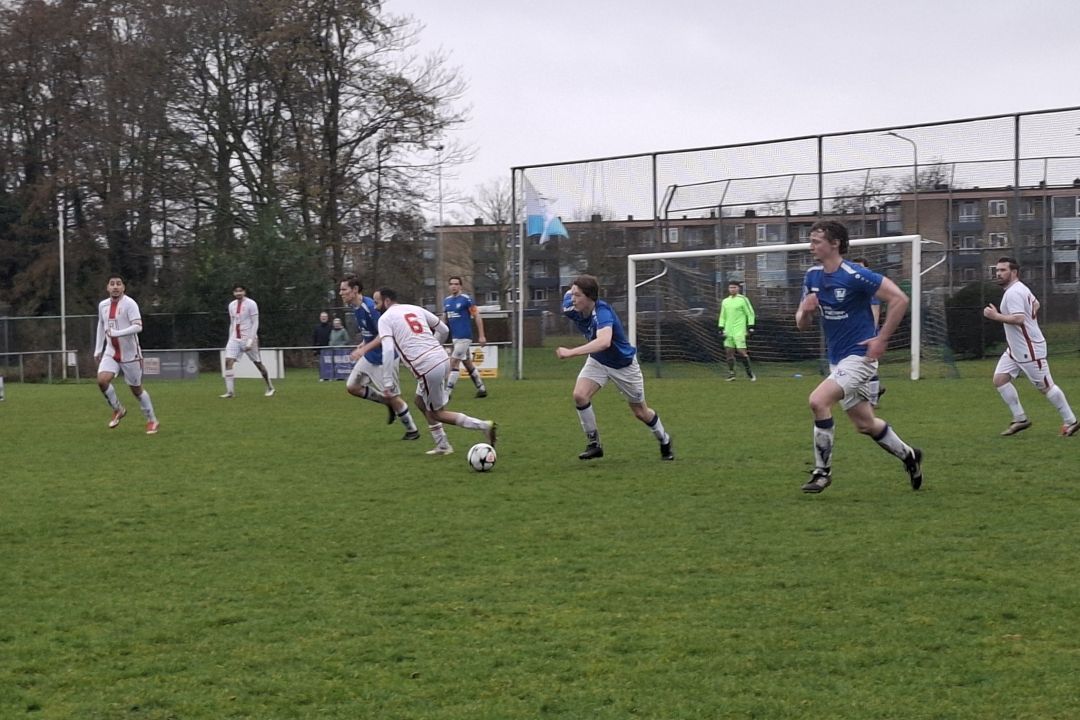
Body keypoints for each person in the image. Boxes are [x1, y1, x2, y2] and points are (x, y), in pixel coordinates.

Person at [794, 221, 922, 493]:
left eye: (816, 241)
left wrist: (881, 338)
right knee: (865, 424)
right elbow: (801, 325)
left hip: (860, 357)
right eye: (811, 240)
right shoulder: (812, 276)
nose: (811, 246)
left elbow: (899, 298)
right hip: (838, 359)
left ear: (835, 243)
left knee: (818, 401)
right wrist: (805, 311)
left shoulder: (855, 275)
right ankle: (910, 455)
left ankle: (822, 472)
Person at [556, 274, 673, 461]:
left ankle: (664, 439)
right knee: (579, 395)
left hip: (623, 366)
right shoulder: (570, 306)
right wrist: (574, 287)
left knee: (641, 412)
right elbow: (570, 293)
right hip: (598, 361)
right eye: (573, 294)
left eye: (577, 295)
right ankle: (594, 444)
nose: (573, 298)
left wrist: (571, 352)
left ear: (590, 297)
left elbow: (603, 342)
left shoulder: (603, 312)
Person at [373, 287, 496, 455]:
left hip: (427, 367)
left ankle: (483, 426)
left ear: (387, 301)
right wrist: (432, 345)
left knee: (437, 413)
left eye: (376, 302)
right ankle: (442, 445)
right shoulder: (414, 308)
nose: (375, 306)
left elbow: (387, 350)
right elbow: (444, 329)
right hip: (441, 358)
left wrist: (387, 383)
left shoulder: (385, 319)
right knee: (420, 402)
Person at [983, 256, 1080, 437]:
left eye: (1003, 270)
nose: (998, 273)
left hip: (1029, 350)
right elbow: (1036, 303)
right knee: (1000, 380)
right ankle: (1020, 419)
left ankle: (1071, 421)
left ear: (1014, 272)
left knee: (1046, 387)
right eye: (997, 270)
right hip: (1015, 349)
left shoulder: (1013, 292)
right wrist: (1030, 319)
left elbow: (1018, 319)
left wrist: (995, 316)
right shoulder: (1020, 289)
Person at [338, 276, 420, 439]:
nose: (341, 293)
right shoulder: (355, 307)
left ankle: (412, 430)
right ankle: (387, 402)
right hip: (370, 356)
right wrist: (363, 344)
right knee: (352, 387)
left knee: (393, 397)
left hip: (385, 358)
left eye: (344, 289)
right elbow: (371, 332)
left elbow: (384, 334)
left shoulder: (370, 307)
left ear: (355, 290)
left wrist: (363, 350)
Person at [93, 274, 160, 434]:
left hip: (131, 355)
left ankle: (152, 420)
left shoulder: (130, 304)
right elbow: (101, 326)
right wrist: (98, 349)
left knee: (136, 390)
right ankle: (118, 409)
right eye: (112, 284)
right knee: (102, 381)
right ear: (107, 287)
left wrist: (117, 333)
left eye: (118, 284)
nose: (115, 286)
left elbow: (138, 326)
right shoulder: (103, 305)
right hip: (111, 352)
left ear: (123, 287)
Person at [221, 284, 275, 398]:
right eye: (236, 291)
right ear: (233, 293)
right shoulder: (231, 305)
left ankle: (270, 387)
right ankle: (230, 392)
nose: (238, 293)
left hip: (248, 337)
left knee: (258, 363)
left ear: (244, 292)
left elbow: (255, 322)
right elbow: (233, 322)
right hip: (235, 338)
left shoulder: (251, 304)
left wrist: (250, 340)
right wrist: (230, 338)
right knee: (228, 361)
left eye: (240, 291)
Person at [442, 276, 488, 398]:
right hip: (455, 338)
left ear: (460, 286)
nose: (454, 286)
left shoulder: (467, 300)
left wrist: (482, 335)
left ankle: (447, 393)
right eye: (451, 284)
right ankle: (481, 388)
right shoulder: (446, 301)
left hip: (465, 337)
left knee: (453, 363)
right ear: (449, 286)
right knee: (467, 363)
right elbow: (444, 319)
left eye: (456, 284)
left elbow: (477, 316)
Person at [851, 257, 886, 406]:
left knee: (868, 364)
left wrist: (872, 334)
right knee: (858, 365)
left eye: (861, 267)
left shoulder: (870, 289)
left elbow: (875, 310)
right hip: (854, 333)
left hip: (867, 334)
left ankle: (872, 399)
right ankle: (872, 393)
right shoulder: (853, 288)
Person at [717, 281, 756, 381]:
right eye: (730, 287)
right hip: (728, 331)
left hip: (739, 330)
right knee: (729, 352)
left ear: (738, 289)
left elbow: (750, 314)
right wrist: (721, 328)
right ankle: (732, 374)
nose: (732, 289)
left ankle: (750, 373)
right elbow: (722, 316)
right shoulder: (725, 301)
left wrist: (751, 326)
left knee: (741, 352)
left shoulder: (743, 299)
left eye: (734, 287)